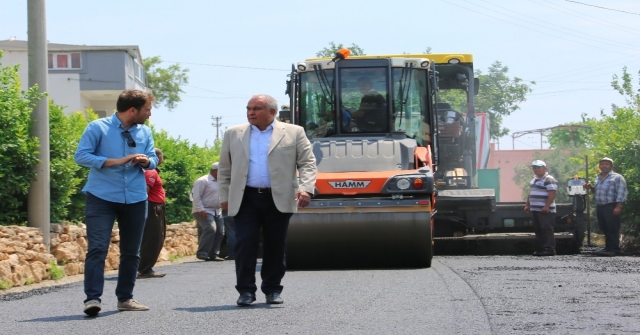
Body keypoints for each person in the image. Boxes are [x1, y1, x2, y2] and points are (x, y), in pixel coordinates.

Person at [218, 94, 317, 306]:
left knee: (275, 244)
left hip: (278, 197)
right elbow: (225, 169)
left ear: (272, 112)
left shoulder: (294, 132)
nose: (251, 112)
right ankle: (245, 291)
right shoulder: (233, 133)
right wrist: (224, 197)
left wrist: (306, 189)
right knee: (245, 243)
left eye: (257, 108)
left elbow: (307, 163)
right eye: (249, 108)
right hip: (246, 198)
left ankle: (272, 289)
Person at [74, 89, 158, 316]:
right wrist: (115, 161)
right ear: (133, 110)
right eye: (147, 109)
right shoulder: (97, 127)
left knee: (132, 252)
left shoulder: (145, 132)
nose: (149, 114)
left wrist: (146, 160)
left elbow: (154, 158)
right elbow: (81, 156)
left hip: (136, 198)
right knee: (98, 248)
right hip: (101, 197)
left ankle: (125, 299)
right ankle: (92, 299)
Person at [583, 157, 628, 256]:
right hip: (601, 206)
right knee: (604, 227)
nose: (604, 166)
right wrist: (591, 188)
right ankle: (608, 248)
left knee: (612, 228)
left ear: (611, 166)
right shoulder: (598, 178)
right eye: (602, 164)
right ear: (599, 166)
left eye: (607, 164)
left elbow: (621, 193)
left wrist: (618, 206)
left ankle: (614, 249)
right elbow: (598, 191)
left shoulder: (617, 177)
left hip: (611, 206)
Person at [137, 148, 167, 279]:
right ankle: (144, 269)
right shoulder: (150, 172)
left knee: (155, 238)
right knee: (153, 239)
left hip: (155, 207)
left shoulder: (151, 171)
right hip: (152, 207)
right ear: (158, 157)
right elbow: (145, 191)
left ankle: (145, 267)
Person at [191, 163, 225, 262]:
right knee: (210, 228)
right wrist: (201, 209)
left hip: (217, 211)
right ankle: (202, 252)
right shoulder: (203, 180)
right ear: (215, 171)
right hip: (204, 210)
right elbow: (196, 196)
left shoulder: (221, 182)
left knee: (220, 232)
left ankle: (213, 254)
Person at [524, 160, 558, 257]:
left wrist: (546, 206)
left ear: (545, 168)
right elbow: (531, 192)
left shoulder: (549, 179)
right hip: (535, 209)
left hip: (545, 210)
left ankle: (549, 248)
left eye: (539, 167)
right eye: (534, 167)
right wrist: (527, 204)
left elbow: (552, 193)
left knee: (546, 228)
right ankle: (541, 248)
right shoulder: (534, 179)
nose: (536, 169)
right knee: (538, 229)